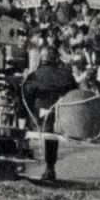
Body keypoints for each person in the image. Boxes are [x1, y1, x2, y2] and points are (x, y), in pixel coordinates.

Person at [23, 45, 76, 182]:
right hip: (61, 117)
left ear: (41, 58)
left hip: (38, 118)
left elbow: (26, 96)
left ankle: (23, 154)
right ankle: (50, 167)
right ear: (55, 58)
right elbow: (75, 92)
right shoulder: (65, 75)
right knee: (50, 130)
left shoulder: (35, 76)